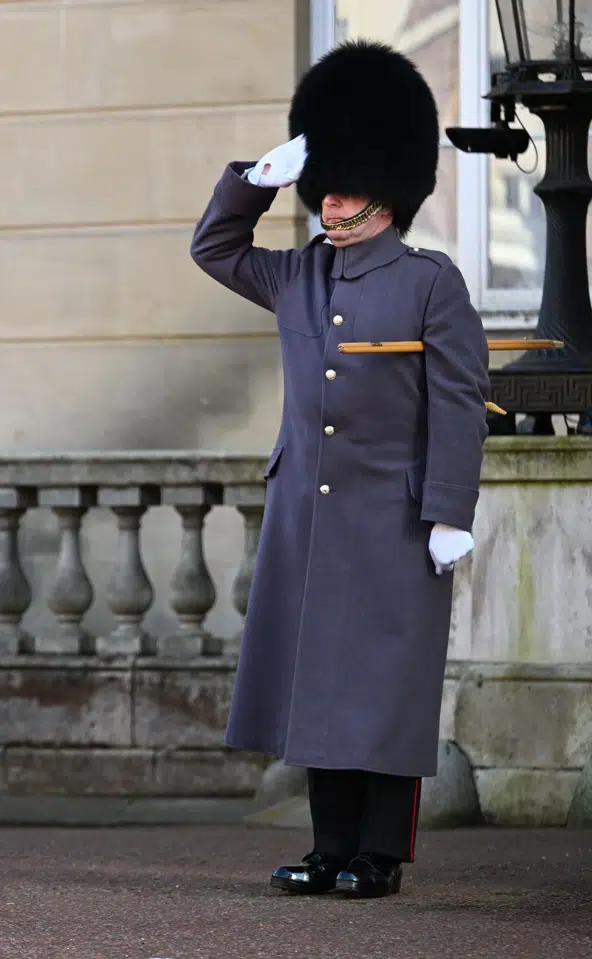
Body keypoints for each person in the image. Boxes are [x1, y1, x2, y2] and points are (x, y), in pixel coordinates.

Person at [190, 40, 489, 899]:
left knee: (386, 690)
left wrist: (448, 510)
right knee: (318, 684)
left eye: (343, 181)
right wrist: (259, 175)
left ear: (385, 190)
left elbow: (460, 403)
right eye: (325, 177)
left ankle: (379, 854)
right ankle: (329, 848)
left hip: (394, 519)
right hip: (310, 517)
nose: (329, 196)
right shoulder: (297, 275)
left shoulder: (432, 284)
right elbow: (213, 246)